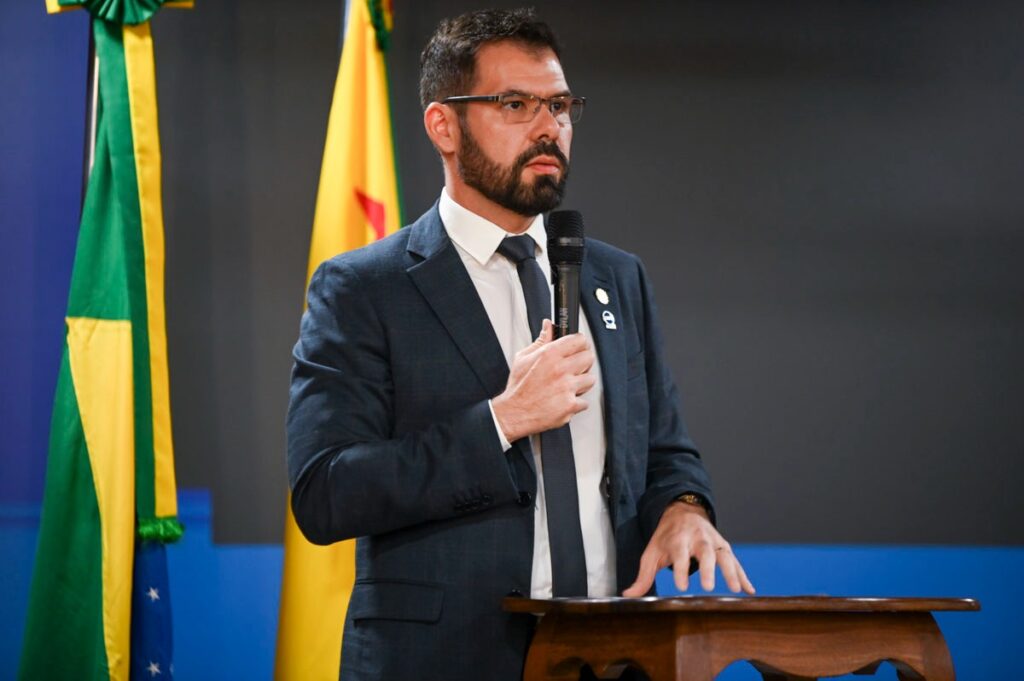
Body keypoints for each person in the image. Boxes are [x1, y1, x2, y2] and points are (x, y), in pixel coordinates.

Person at [287, 8, 754, 681]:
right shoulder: (364, 288)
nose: (548, 128)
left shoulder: (615, 277)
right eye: (515, 104)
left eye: (560, 105)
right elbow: (325, 492)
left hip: (618, 656)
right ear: (444, 126)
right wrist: (501, 421)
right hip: (445, 660)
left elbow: (666, 454)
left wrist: (684, 510)